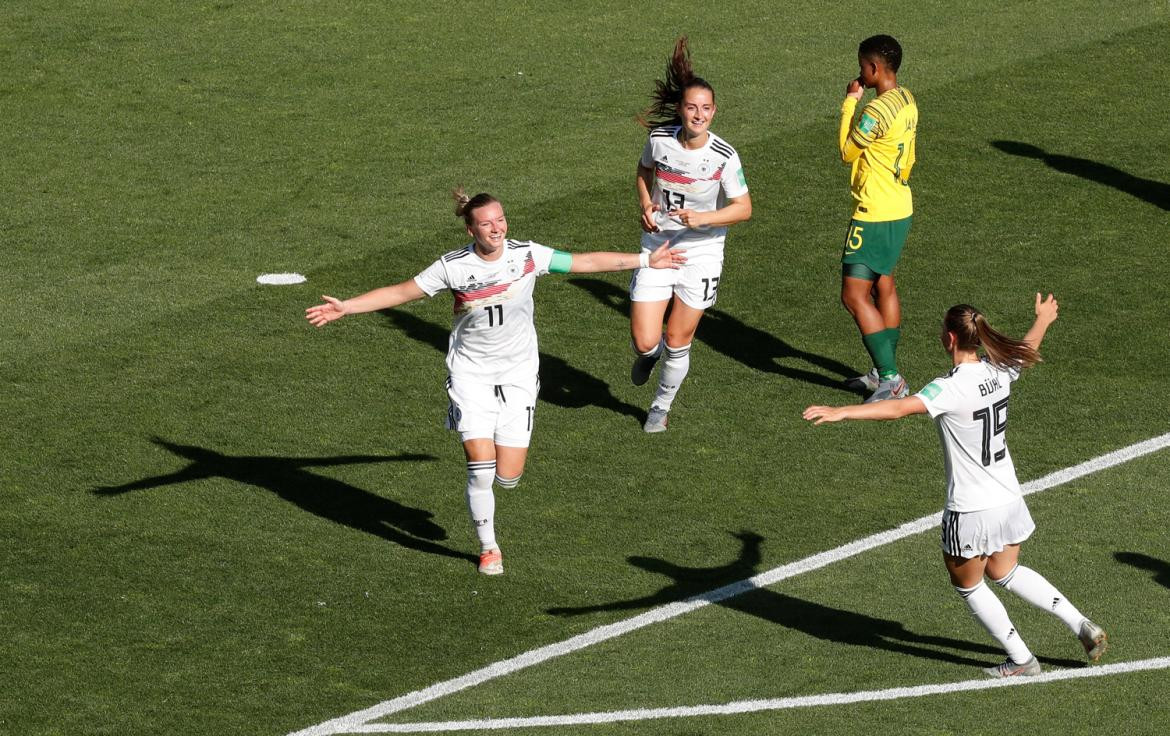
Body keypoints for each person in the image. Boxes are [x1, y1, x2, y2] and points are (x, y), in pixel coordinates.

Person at [306, 190, 685, 575]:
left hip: (519, 376)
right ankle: (489, 548)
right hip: (470, 376)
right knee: (481, 467)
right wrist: (347, 307)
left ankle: (496, 499)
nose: (496, 228)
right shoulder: (452, 266)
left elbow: (582, 261)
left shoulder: (526, 255)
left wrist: (645, 260)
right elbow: (402, 291)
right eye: (485, 223)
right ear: (470, 229)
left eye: (499, 219)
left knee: (508, 476)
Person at [803, 294, 1108, 677]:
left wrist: (842, 411)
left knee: (968, 584)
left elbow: (899, 407)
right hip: (1009, 496)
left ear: (949, 339)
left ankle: (1021, 659)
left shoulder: (949, 387)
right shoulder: (999, 370)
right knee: (1006, 571)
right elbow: (1026, 349)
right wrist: (1044, 319)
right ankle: (1079, 622)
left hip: (971, 507)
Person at [629, 36, 752, 432]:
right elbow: (644, 172)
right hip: (658, 247)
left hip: (701, 254)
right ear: (681, 109)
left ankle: (660, 408)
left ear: (714, 112)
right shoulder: (660, 139)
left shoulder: (724, 157)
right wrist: (646, 205)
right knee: (646, 341)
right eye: (691, 107)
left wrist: (703, 219)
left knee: (678, 338)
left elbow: (743, 208)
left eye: (705, 108)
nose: (698, 115)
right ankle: (651, 354)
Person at [838, 35, 918, 402]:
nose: (859, 73)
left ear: (874, 69)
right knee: (883, 284)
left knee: (854, 295)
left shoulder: (874, 112)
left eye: (862, 67)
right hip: (900, 206)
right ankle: (882, 371)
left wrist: (850, 103)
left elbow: (847, 150)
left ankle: (890, 378)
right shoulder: (906, 99)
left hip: (874, 212)